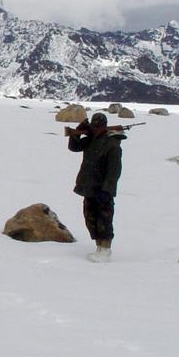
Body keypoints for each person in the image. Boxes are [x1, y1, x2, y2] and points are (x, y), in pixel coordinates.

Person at [65, 112, 126, 262]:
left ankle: (105, 249)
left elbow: (114, 171)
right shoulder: (92, 139)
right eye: (94, 125)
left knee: (104, 219)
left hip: (102, 189)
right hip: (89, 186)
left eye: (98, 126)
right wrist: (76, 133)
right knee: (90, 217)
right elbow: (75, 147)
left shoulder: (112, 144)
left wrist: (107, 189)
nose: (96, 128)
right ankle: (99, 246)